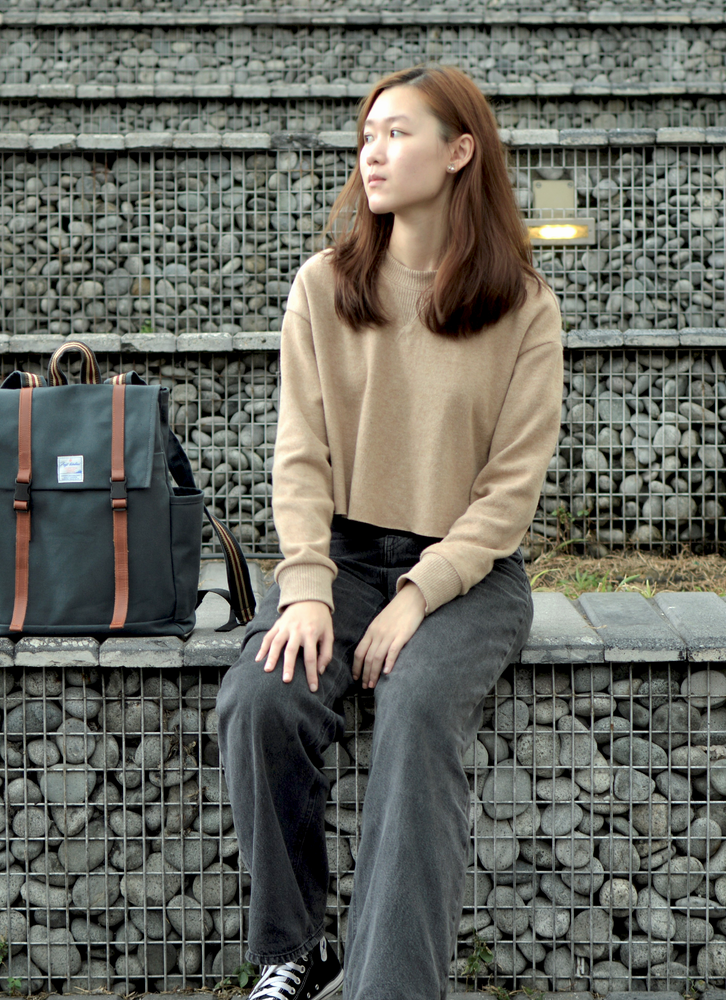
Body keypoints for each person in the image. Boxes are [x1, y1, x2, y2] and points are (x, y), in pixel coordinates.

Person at [216, 64, 564, 1000]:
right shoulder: (324, 288)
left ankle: (390, 990)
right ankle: (294, 952)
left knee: (413, 711)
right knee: (261, 700)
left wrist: (419, 596)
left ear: (460, 153)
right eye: (367, 131)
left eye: (398, 132)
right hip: (343, 557)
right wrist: (307, 588)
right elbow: (301, 457)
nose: (373, 149)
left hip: (470, 576)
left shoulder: (523, 305)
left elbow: (508, 491)